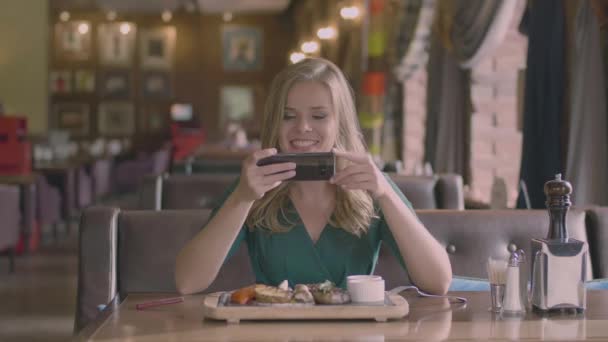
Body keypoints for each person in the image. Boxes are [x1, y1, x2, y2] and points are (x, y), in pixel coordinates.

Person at [175, 58, 452, 295]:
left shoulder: (370, 184)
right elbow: (187, 282)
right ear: (275, 122)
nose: (303, 127)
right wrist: (241, 198)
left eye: (319, 116)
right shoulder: (254, 184)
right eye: (288, 116)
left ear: (339, 123)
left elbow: (438, 281)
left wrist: (387, 194)